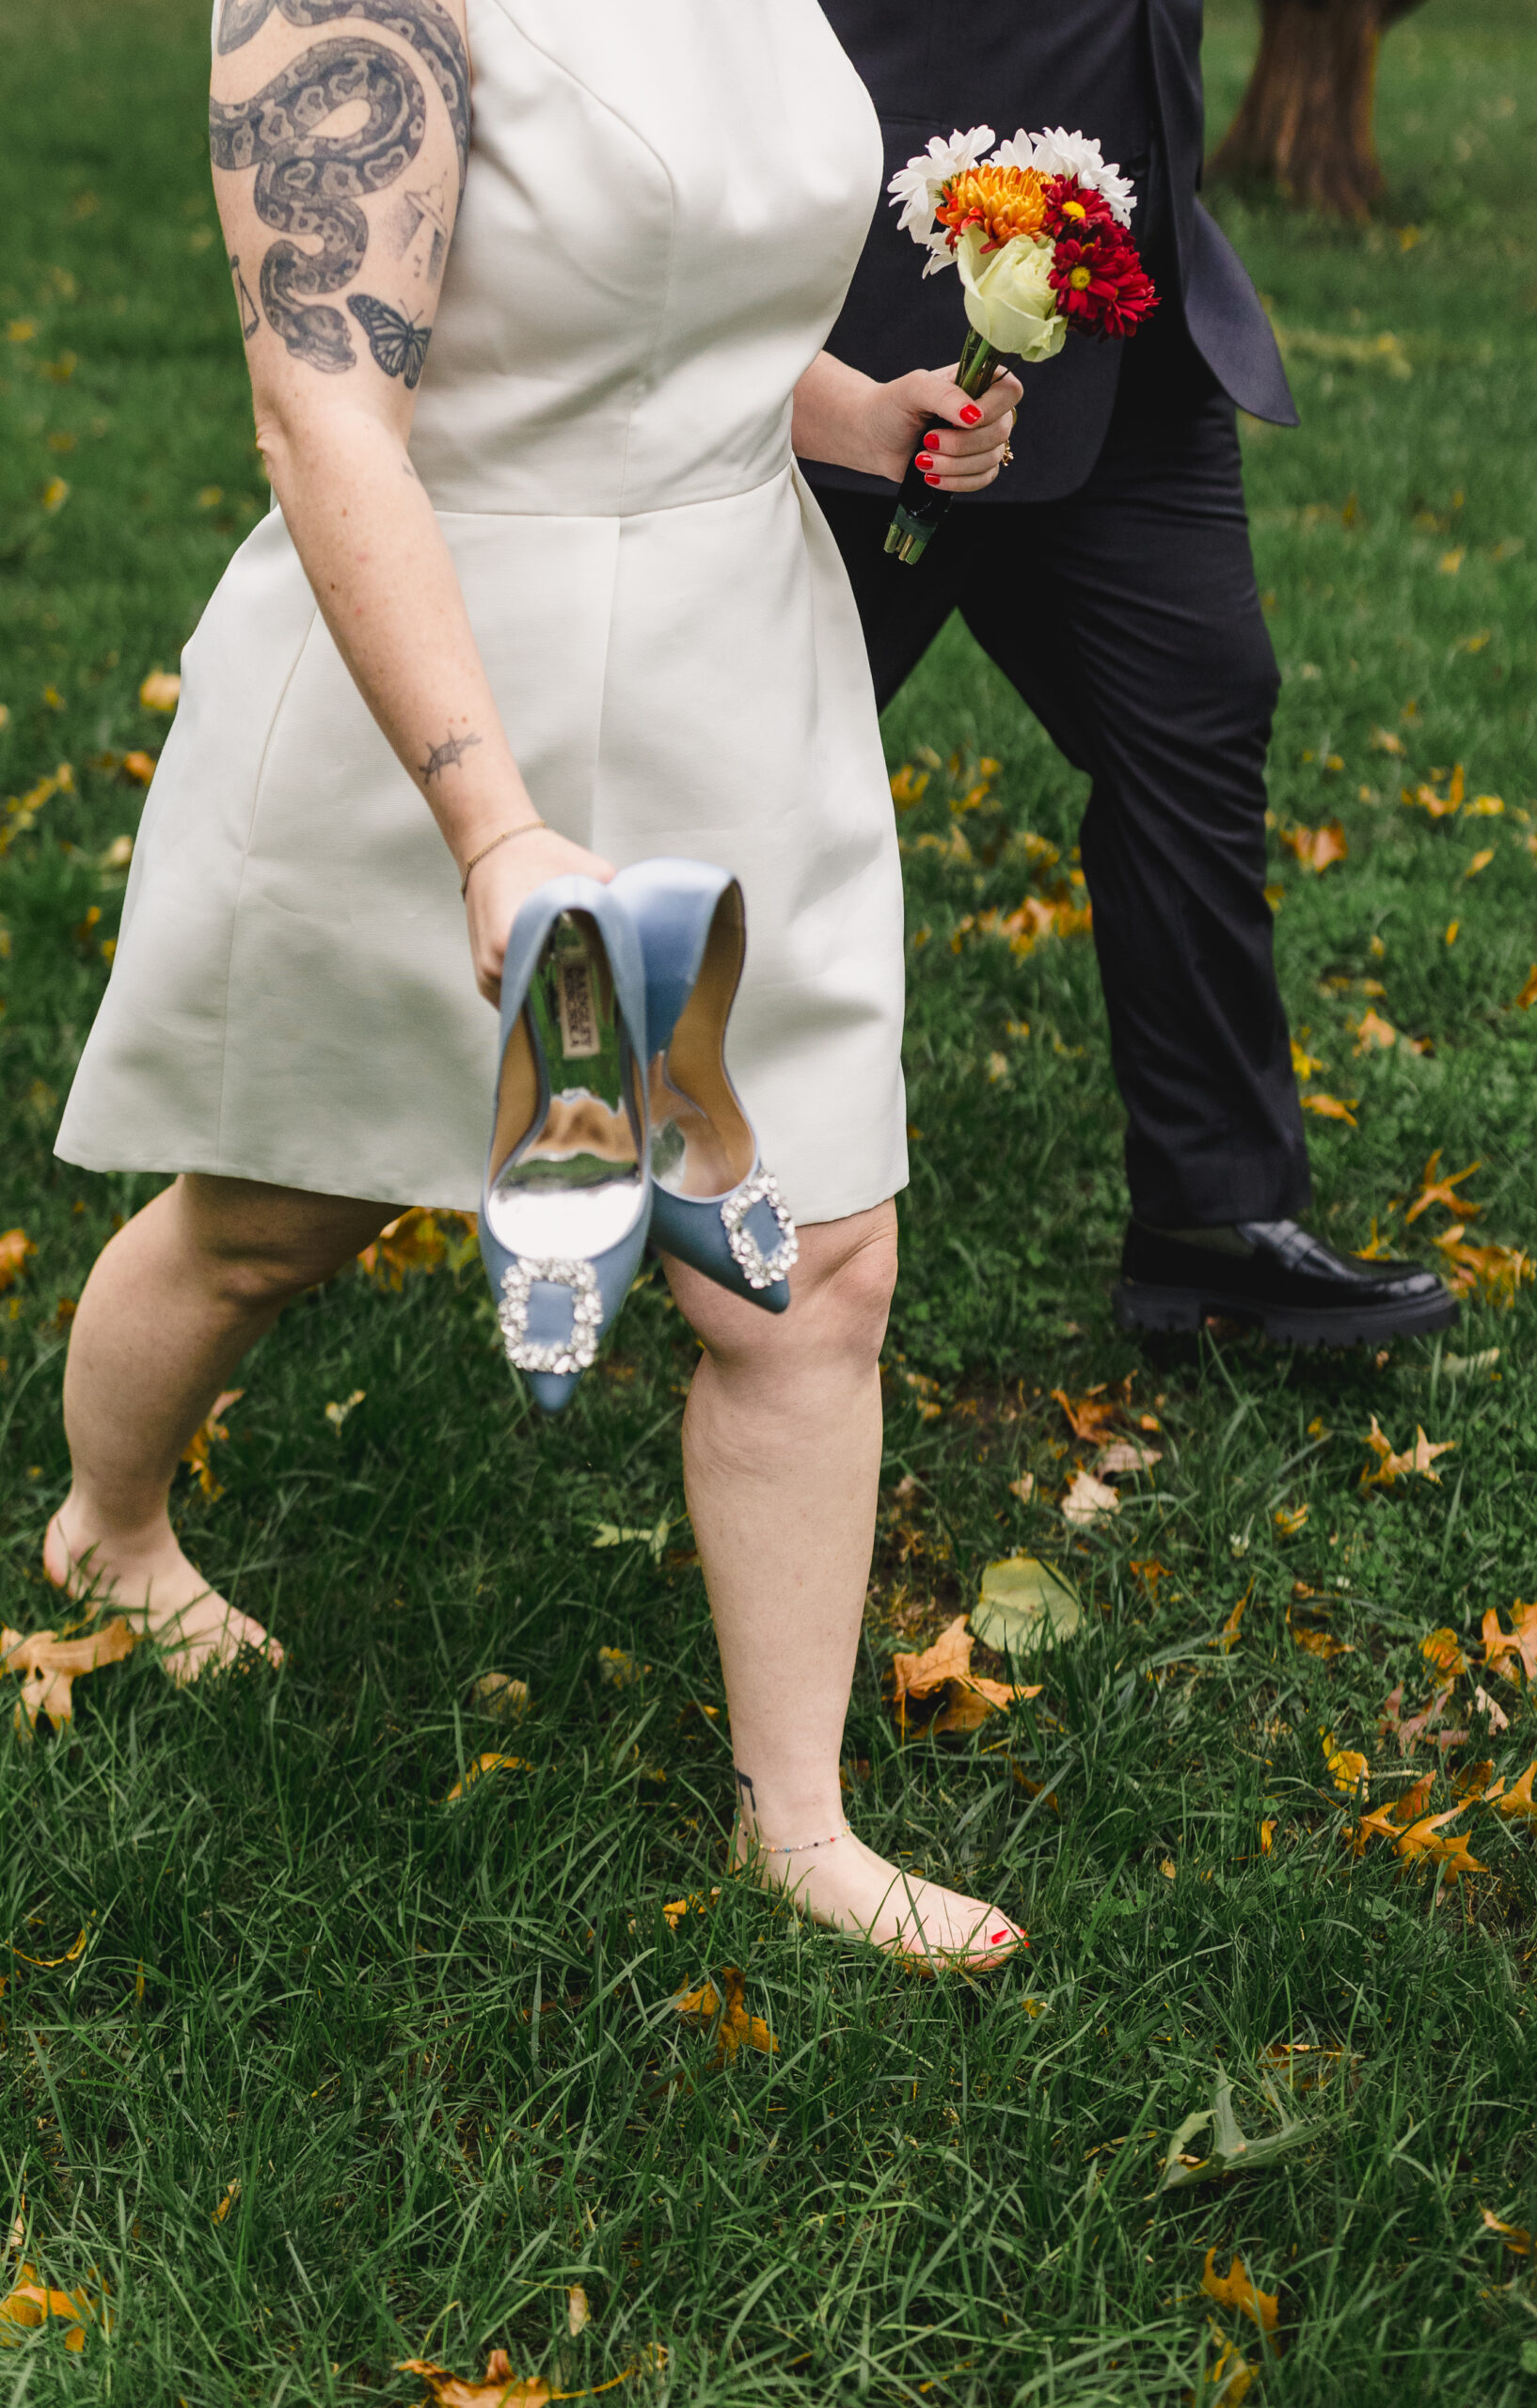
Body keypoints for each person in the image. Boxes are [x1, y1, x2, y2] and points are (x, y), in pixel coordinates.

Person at [48, 0, 1025, 1969]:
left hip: (736, 670)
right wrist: (492, 826)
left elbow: (683, 318)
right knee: (271, 1214)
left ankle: (803, 1818)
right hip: (427, 684)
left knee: (812, 1264)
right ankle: (112, 1527)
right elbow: (322, 413)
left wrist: (855, 412)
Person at [799, 0, 1458, 1350]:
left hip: (1129, 314)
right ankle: (500, 1132)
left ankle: (1212, 1219)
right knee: (714, 777)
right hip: (868, 327)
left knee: (1200, 713)